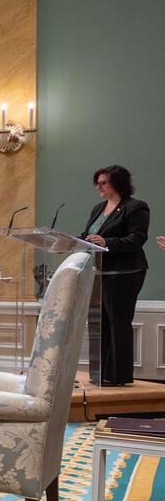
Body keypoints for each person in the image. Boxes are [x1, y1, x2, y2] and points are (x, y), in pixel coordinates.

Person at [81, 165, 149, 386]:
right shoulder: (99, 208)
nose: (98, 186)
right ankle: (100, 374)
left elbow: (137, 238)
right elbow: (87, 235)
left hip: (125, 273)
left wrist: (107, 242)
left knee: (118, 323)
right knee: (98, 323)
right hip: (100, 273)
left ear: (118, 183)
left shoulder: (135, 207)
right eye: (97, 183)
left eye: (103, 183)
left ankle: (118, 375)